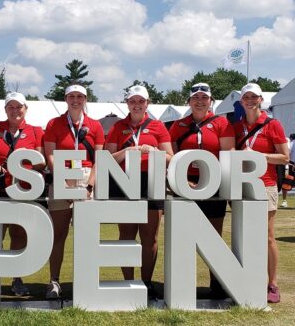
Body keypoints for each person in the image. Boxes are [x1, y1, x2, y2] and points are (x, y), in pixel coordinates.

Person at [105, 85, 173, 298]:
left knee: (149, 237)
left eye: (141, 101)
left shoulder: (158, 126)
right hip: (125, 183)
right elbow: (107, 159)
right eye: (133, 101)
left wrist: (156, 152)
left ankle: (146, 282)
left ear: (147, 103)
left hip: (152, 183)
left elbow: (172, 158)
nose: (137, 105)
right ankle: (128, 282)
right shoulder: (117, 126)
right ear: (127, 103)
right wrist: (127, 151)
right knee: (126, 235)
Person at [169, 82, 235, 299]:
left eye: (204, 98)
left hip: (214, 186)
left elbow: (229, 154)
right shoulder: (178, 125)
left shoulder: (221, 123)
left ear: (210, 101)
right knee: (184, 235)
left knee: (214, 235)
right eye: (195, 97)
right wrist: (183, 180)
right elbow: (173, 158)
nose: (200, 101)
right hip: (184, 185)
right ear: (189, 101)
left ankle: (217, 282)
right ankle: (182, 282)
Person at [0, 92, 45, 296]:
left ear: (26, 109)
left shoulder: (35, 131)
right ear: (5, 109)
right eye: (11, 107)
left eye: (19, 107)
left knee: (19, 233)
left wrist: (23, 165)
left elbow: (41, 161)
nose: (15, 111)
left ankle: (16, 277)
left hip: (23, 188)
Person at [43, 83, 104, 299]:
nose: (76, 100)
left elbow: (99, 159)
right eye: (72, 96)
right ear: (66, 99)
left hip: (86, 179)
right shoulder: (54, 123)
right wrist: (61, 177)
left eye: (80, 96)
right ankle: (54, 281)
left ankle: (85, 280)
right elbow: (49, 154)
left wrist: (90, 185)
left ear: (85, 99)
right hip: (62, 178)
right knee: (58, 234)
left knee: (86, 235)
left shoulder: (95, 125)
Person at [234, 83, 289, 303]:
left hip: (265, 184)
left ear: (260, 100)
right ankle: (248, 279)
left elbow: (284, 157)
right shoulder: (236, 127)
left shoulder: (272, 124)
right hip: (241, 184)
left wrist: (258, 155)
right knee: (245, 235)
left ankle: (272, 284)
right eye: (246, 97)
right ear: (241, 102)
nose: (250, 100)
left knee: (267, 236)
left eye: (254, 97)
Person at [280, 133, 295, 207]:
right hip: (292, 165)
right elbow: (287, 155)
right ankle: (284, 201)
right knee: (286, 184)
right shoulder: (292, 143)